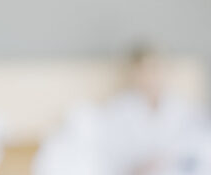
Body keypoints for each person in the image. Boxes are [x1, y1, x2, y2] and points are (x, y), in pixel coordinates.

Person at [33, 45, 211, 175]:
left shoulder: (182, 108)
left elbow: (197, 145)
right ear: (134, 75)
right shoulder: (120, 110)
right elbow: (109, 153)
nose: (150, 77)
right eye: (144, 71)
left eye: (155, 69)